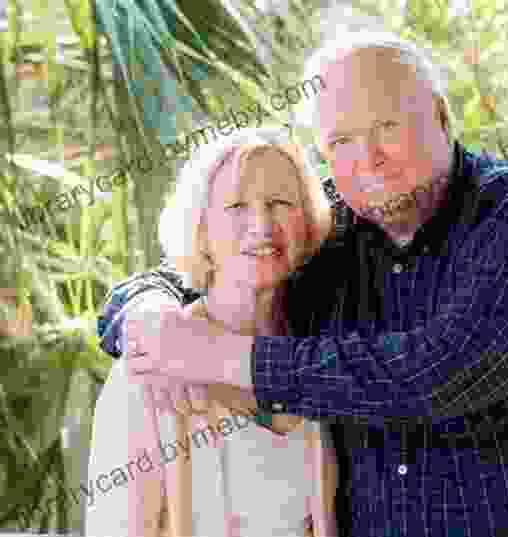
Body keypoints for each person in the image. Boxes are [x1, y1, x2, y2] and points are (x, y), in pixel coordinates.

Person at [97, 31, 508, 537]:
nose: (369, 157)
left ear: (442, 117)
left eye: (387, 128)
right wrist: (145, 311)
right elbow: (213, 264)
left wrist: (219, 357)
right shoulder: (332, 227)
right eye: (341, 141)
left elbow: (433, 375)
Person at [86, 128, 338, 537]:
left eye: (280, 203)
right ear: (200, 229)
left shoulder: (317, 364)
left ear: (309, 222)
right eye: (237, 206)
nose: (261, 224)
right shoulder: (148, 371)